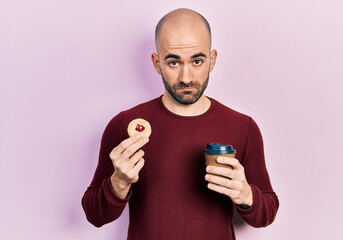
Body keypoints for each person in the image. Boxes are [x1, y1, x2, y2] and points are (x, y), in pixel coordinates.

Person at [82, 8, 279, 239]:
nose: (186, 77)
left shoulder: (243, 127)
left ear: (212, 60)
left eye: (197, 61)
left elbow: (266, 214)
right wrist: (119, 182)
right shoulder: (125, 125)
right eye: (173, 63)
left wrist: (246, 195)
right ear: (157, 63)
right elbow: (95, 215)